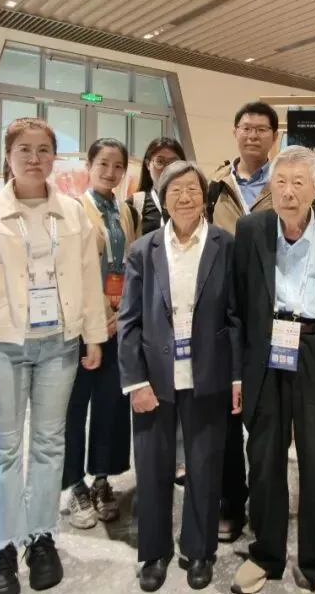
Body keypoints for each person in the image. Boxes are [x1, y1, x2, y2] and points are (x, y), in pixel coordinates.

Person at [0, 117, 108, 594]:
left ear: (54, 157)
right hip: (1, 345)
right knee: (4, 448)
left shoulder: (72, 213)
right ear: (8, 156)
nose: (34, 159)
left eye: (43, 150)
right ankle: (2, 545)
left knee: (49, 444)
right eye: (24, 150)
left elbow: (88, 278)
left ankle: (41, 536)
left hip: (59, 344)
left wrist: (93, 336)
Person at [230, 146, 315, 594]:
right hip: (266, 350)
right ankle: (265, 554)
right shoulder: (250, 231)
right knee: (264, 457)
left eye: (298, 183)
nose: (288, 192)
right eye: (280, 182)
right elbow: (238, 302)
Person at [118, 161, 241, 592]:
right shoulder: (144, 249)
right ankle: (154, 552)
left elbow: (236, 316)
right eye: (175, 190)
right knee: (152, 467)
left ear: (204, 196)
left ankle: (200, 550)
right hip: (154, 377)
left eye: (193, 189)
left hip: (209, 374)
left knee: (205, 466)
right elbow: (128, 320)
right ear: (162, 198)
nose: (185, 197)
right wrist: (135, 382)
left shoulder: (225, 245)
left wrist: (237, 376)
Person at [206, 101, 277, 542]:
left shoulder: (286, 181)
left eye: (261, 129)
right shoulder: (214, 186)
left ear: (275, 136)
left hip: (273, 314)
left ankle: (267, 501)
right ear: (235, 132)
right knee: (227, 414)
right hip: (224, 314)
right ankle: (231, 499)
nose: (252, 135)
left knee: (269, 414)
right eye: (246, 128)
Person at [62, 138, 135, 529]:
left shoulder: (125, 211)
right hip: (82, 327)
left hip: (117, 324)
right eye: (103, 164)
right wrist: (95, 316)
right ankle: (74, 484)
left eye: (118, 166)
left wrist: (121, 314)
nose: (110, 172)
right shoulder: (74, 209)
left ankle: (102, 478)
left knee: (111, 405)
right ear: (88, 166)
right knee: (74, 407)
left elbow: (129, 265)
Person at [128, 136, 188, 481]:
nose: (164, 166)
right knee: (152, 384)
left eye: (172, 160)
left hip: (184, 304)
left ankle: (180, 456)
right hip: (149, 303)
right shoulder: (136, 203)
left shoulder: (189, 201)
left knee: (182, 383)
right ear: (148, 164)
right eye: (158, 160)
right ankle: (155, 457)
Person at [129, 137, 186, 237]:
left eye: (173, 162)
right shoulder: (134, 204)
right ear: (148, 164)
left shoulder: (192, 201)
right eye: (160, 161)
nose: (167, 168)